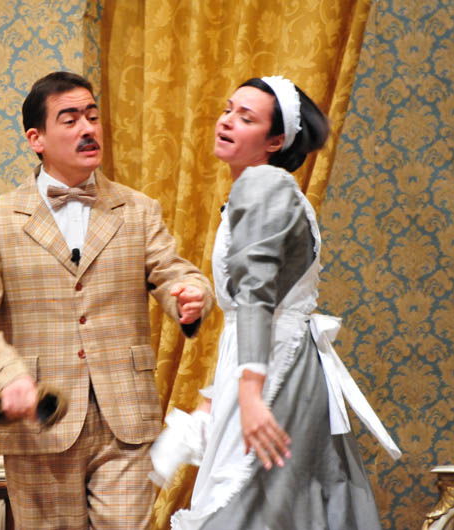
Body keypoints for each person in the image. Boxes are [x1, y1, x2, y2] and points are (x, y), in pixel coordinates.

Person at [0, 71, 215, 529]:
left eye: (92, 116)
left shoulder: (137, 209)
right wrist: (8, 376)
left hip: (126, 416)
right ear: (36, 139)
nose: (87, 128)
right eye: (70, 120)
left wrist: (190, 294)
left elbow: (174, 271)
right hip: (41, 419)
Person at [150, 76, 401, 529]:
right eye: (228, 109)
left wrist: (249, 393)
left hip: (276, 371)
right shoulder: (261, 189)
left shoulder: (265, 184)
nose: (227, 121)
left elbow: (257, 294)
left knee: (258, 511)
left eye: (246, 118)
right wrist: (211, 408)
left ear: (275, 141)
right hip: (268, 361)